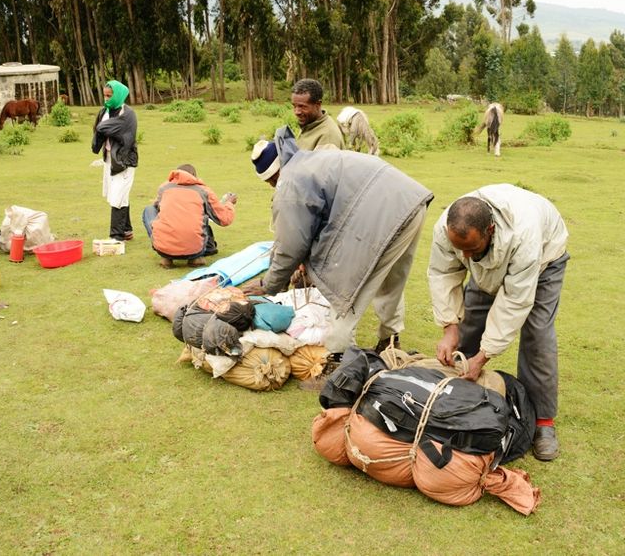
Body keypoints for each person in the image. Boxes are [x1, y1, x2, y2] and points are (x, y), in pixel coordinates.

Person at [242, 132, 432, 376]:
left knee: (347, 288)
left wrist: (268, 285)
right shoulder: (310, 159)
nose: (272, 187)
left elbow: (291, 244)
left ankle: (339, 364)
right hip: (409, 202)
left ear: (274, 175)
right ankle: (390, 341)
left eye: (270, 183)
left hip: (376, 216)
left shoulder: (290, 182)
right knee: (390, 279)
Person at [428, 184, 569, 461]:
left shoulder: (523, 236)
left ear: (489, 231)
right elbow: (443, 273)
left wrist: (485, 354)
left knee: (537, 336)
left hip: (543, 259)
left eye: (471, 248)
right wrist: (449, 328)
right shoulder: (447, 229)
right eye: (460, 249)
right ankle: (459, 402)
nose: (465, 256)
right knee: (468, 325)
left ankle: (542, 423)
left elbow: (514, 302)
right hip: (490, 263)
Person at [142, 164, 237, 268]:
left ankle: (167, 258)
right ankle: (196, 258)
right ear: (194, 176)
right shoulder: (203, 191)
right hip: (195, 249)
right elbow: (224, 219)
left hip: (163, 249)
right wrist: (229, 203)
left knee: (149, 210)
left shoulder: (164, 188)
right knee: (202, 216)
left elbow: (157, 206)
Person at [92, 80, 138, 241]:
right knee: (120, 194)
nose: (106, 99)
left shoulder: (128, 114)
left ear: (118, 95)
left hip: (124, 161)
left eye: (110, 96)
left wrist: (103, 128)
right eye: (104, 95)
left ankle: (116, 236)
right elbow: (98, 130)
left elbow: (103, 128)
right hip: (109, 160)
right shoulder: (104, 112)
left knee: (117, 195)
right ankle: (126, 230)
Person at [290, 78, 344, 150]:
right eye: (294, 106)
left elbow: (324, 161)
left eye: (302, 106)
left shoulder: (328, 137)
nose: (297, 112)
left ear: (318, 105)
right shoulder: (309, 123)